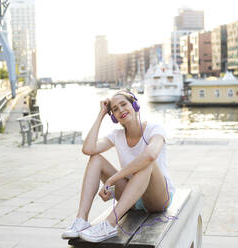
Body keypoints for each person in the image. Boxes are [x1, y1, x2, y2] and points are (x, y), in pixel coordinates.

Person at [62, 90, 175, 243]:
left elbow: (150, 155)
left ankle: (109, 224)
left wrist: (113, 179)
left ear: (134, 105)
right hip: (131, 197)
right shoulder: (117, 135)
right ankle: (81, 220)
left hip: (157, 197)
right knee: (95, 158)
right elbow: (88, 149)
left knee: (147, 162)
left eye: (124, 104)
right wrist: (101, 114)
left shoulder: (155, 129)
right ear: (113, 117)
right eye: (115, 109)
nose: (120, 110)